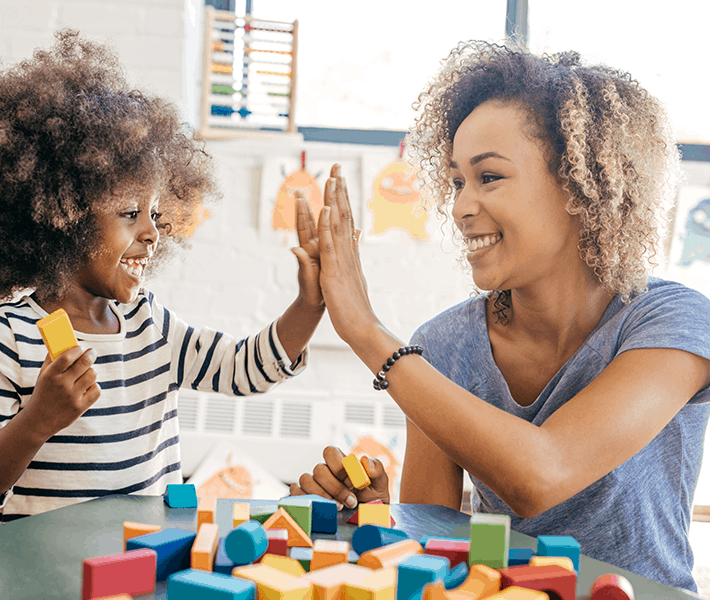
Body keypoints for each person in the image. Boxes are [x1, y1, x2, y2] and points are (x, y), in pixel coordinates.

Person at [290, 41, 710, 591]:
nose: (462, 206)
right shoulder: (441, 346)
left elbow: (542, 473)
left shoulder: (673, 322)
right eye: (458, 181)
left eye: (489, 177)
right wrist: (377, 517)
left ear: (580, 188)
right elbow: (431, 543)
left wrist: (365, 331)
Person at [0, 29, 325, 525]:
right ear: (61, 217)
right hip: (41, 572)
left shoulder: (151, 324)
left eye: (154, 212)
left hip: (142, 559)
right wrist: (37, 421)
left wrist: (311, 303)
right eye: (130, 213)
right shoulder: (4, 339)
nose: (153, 232)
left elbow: (242, 369)